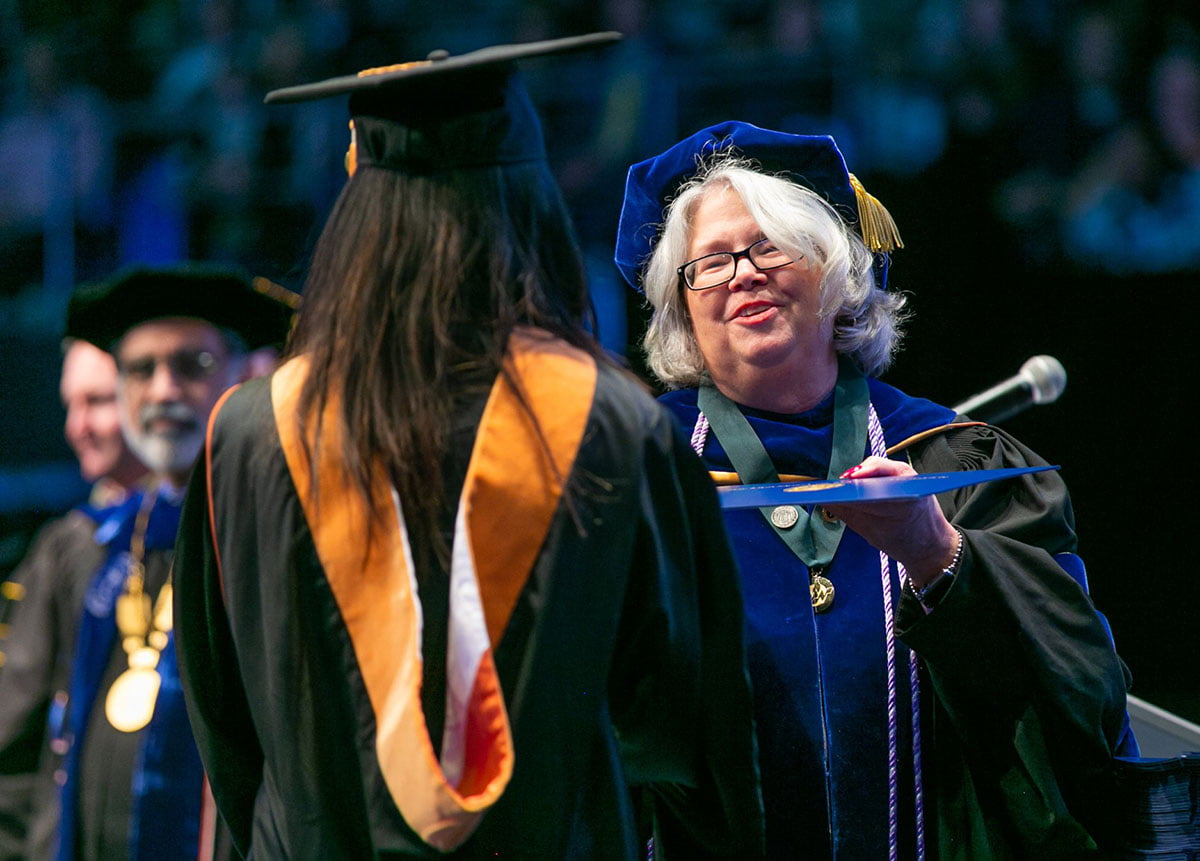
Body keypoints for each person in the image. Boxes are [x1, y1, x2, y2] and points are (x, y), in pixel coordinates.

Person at [172, 34, 763, 859]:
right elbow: (678, 729)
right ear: (532, 208)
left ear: (355, 219)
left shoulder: (246, 435)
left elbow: (225, 730)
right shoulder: (607, 425)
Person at [614, 121, 1136, 859]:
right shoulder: (638, 480)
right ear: (683, 307)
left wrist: (938, 555)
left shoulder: (955, 462)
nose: (744, 273)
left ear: (835, 274)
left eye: (770, 246)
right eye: (711, 263)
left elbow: (1085, 696)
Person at [56, 264, 295, 860]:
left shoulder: (274, 538)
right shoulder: (96, 546)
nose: (163, 390)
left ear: (243, 373)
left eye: (193, 365)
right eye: (141, 369)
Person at [0, 339, 147, 860]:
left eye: (97, 402)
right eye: (71, 404)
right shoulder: (67, 552)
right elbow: (13, 750)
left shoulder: (220, 534)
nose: (75, 427)